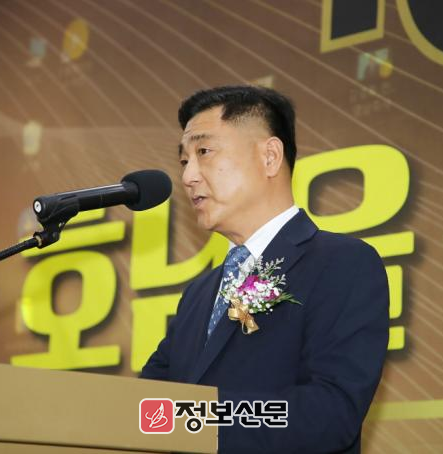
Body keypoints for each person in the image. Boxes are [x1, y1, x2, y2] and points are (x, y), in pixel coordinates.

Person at [140, 85, 389, 453]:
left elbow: (331, 412)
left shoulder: (342, 264)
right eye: (183, 161)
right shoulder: (199, 294)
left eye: (203, 152)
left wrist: (198, 419)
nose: (189, 176)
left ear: (270, 157)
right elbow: (144, 405)